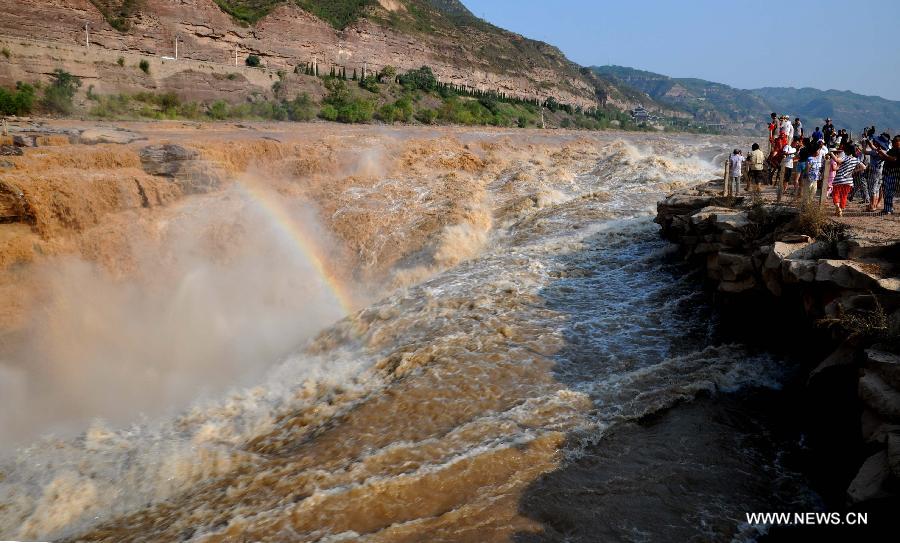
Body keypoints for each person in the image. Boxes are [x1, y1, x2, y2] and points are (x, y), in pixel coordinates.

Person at [828, 142, 866, 216]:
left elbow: (837, 160)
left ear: (846, 150)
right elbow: (864, 167)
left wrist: (831, 153)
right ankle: (841, 210)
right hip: (848, 181)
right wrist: (854, 171)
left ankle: (837, 207)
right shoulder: (856, 159)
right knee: (844, 196)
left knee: (835, 194)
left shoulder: (845, 157)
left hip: (839, 179)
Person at [871, 134, 900, 215]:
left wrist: (883, 154)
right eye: (893, 141)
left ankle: (888, 209)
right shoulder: (893, 150)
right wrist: (880, 153)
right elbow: (886, 157)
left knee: (889, 192)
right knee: (887, 192)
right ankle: (888, 209)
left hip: (894, 173)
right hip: (888, 173)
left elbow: (894, 159)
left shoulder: (898, 150)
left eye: (896, 141)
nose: (894, 142)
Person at [777, 138, 797, 202]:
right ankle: (781, 189)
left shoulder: (795, 149)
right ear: (792, 142)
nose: (795, 144)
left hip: (790, 165)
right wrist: (790, 154)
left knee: (787, 178)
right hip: (785, 165)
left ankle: (784, 190)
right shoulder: (787, 147)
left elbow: (794, 158)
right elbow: (784, 153)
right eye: (795, 143)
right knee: (783, 177)